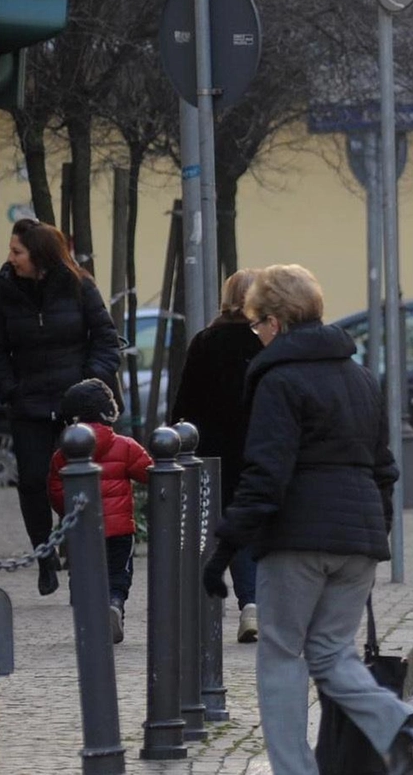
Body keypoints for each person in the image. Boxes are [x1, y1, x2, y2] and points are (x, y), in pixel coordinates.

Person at [200, 264, 413, 775]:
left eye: (257, 324)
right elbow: (384, 468)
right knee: (330, 653)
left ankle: (295, 771)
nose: (256, 334)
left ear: (275, 322)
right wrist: (374, 531)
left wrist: (227, 547)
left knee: (280, 655)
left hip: (297, 539)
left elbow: (267, 473)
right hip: (358, 539)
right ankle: (391, 717)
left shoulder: (278, 380)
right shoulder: (360, 376)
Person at [0, 219, 119, 597]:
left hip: (74, 406)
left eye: (17, 252)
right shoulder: (6, 291)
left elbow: (106, 341)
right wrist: (9, 388)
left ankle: (78, 556)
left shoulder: (80, 286)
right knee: (31, 481)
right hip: (28, 404)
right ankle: (44, 556)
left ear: (39, 255)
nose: (10, 259)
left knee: (77, 484)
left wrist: (87, 384)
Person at [173, 267, 264, 643]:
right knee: (247, 528)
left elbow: (184, 401)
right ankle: (252, 604)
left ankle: (199, 608)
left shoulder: (205, 341)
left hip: (210, 451)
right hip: (254, 447)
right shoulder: (264, 342)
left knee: (211, 527)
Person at [47, 378, 151, 644]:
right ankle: (114, 605)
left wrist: (67, 512)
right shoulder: (126, 446)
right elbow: (150, 473)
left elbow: (57, 493)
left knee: (82, 576)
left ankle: (90, 622)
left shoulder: (62, 455)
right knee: (118, 575)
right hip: (120, 531)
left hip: (81, 530)